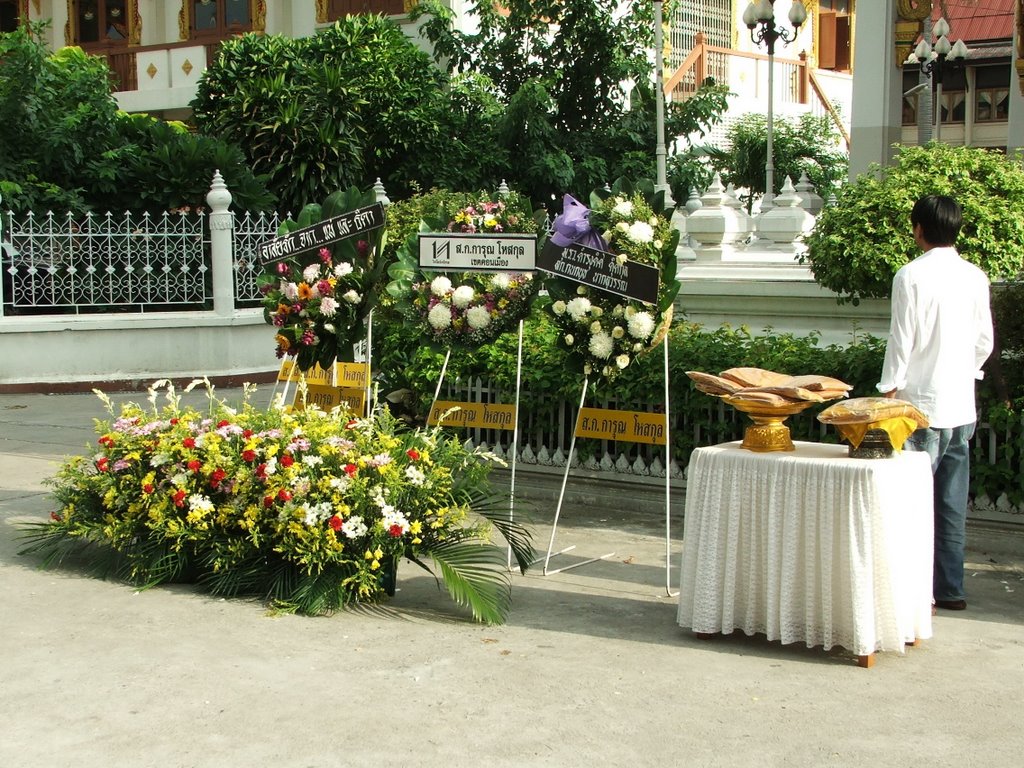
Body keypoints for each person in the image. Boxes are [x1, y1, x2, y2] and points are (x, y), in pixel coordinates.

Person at [877, 194, 994, 611]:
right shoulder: (975, 277)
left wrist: (888, 391)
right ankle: (950, 589)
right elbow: (985, 342)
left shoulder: (910, 276)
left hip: (918, 407)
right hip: (961, 404)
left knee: (910, 503)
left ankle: (909, 589)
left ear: (919, 229)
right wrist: (965, 372)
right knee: (949, 505)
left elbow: (901, 340)